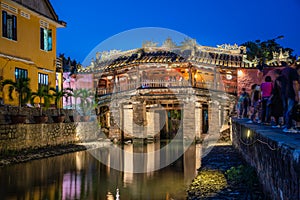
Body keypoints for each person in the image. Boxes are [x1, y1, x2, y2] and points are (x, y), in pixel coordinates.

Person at [281, 60, 299, 133]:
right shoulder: (293, 71)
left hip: (284, 92)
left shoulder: (284, 71)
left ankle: (286, 125)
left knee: (286, 109)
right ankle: (289, 126)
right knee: (290, 110)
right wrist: (297, 95)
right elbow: (295, 83)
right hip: (291, 92)